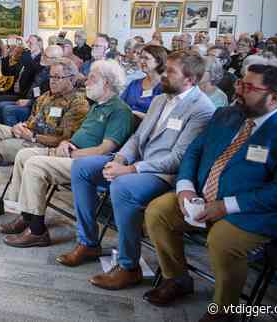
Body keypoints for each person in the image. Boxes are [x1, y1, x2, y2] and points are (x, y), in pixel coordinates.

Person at [143, 65, 277, 322]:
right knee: (158, 211)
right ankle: (177, 278)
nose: (238, 90)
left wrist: (226, 206)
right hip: (201, 196)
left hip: (253, 211)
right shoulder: (226, 115)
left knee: (222, 241)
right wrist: (185, 190)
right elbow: (194, 151)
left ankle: (225, 309)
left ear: (274, 98)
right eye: (240, 82)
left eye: (248, 87)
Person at [56, 52, 215, 291]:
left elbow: (177, 159)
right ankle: (88, 242)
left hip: (163, 174)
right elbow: (137, 136)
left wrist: (129, 169)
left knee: (122, 186)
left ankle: (129, 266)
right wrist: (119, 159)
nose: (163, 74)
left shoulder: (202, 108)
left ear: (190, 79)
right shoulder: (161, 99)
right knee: (82, 167)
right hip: (136, 161)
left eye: (170, 71)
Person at [0, 60, 135, 247]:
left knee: (35, 164)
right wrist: (65, 142)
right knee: (24, 155)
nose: (85, 82)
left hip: (88, 163)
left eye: (91, 79)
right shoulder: (98, 105)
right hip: (70, 152)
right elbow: (77, 134)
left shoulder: (120, 110)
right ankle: (28, 216)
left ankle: (37, 231)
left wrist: (74, 154)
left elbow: (105, 149)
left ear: (106, 82)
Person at [0, 60, 91, 218]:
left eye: (58, 77)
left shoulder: (78, 103)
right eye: (51, 76)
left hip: (44, 145)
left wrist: (33, 136)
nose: (52, 80)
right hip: (29, 136)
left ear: (71, 78)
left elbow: (65, 139)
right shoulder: (46, 97)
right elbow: (32, 122)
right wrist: (21, 127)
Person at [120, 44, 165, 116]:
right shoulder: (134, 84)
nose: (142, 61)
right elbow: (120, 104)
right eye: (141, 57)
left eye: (146, 58)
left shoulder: (165, 87)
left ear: (158, 61)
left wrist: (140, 116)